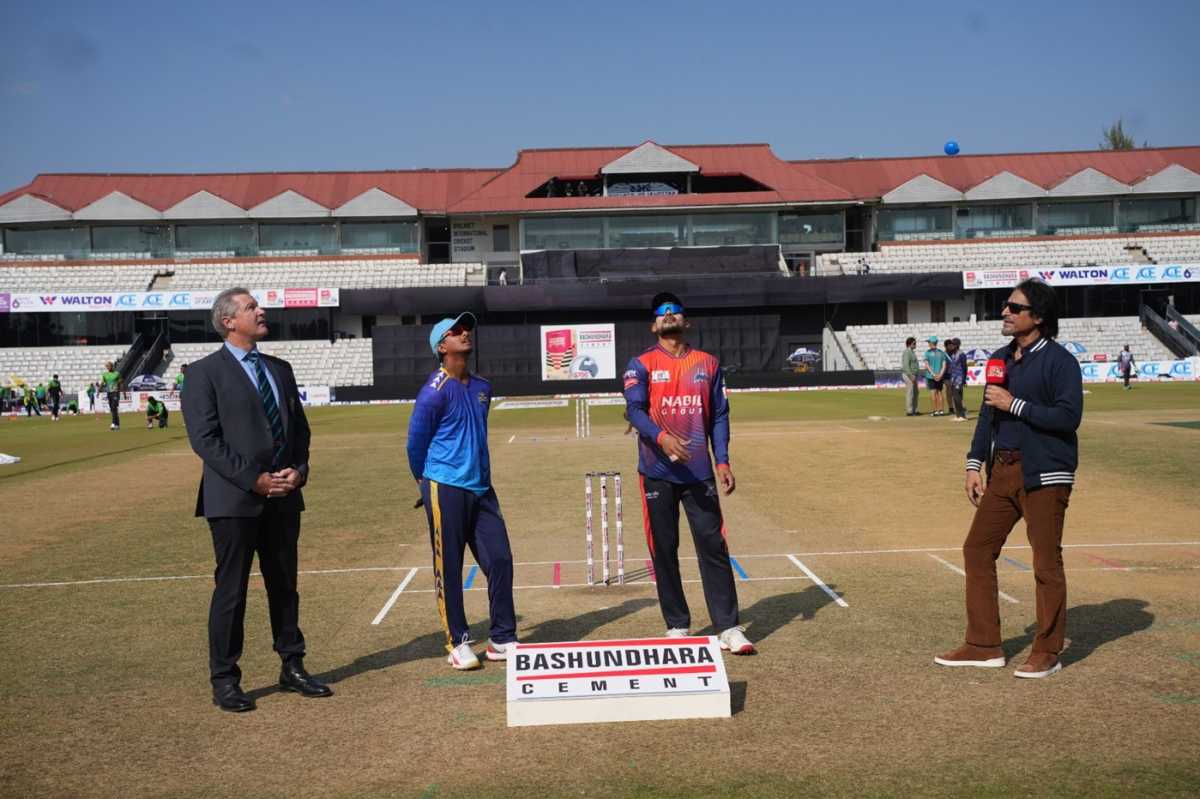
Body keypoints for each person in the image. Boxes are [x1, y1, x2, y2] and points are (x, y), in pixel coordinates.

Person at [181, 287, 331, 713]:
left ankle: (292, 664)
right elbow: (205, 440)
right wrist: (255, 480)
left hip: (284, 496)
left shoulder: (280, 369)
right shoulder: (203, 373)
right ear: (229, 321)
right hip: (233, 500)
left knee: (285, 586)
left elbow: (300, 430)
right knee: (232, 591)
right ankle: (225, 679)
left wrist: (297, 471)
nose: (261, 311)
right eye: (251, 307)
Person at [935, 278, 1082, 679]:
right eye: (1006, 306)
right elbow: (988, 414)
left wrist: (1014, 403)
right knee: (977, 549)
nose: (1005, 312)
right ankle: (984, 646)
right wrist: (972, 463)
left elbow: (1069, 418)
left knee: (1045, 563)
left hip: (1046, 473)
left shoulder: (1059, 361)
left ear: (1039, 317)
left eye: (1014, 308)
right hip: (1003, 471)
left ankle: (1048, 650)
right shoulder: (1001, 358)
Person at [622, 291, 755, 654]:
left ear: (686, 320)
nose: (668, 314)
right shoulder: (641, 364)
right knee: (664, 549)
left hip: (699, 472)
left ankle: (728, 626)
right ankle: (677, 624)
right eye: (661, 312)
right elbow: (634, 412)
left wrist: (723, 460)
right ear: (653, 325)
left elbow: (720, 415)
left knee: (713, 546)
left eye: (675, 311)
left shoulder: (708, 364)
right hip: (657, 471)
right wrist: (662, 438)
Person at [406, 311, 517, 670]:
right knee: (449, 567)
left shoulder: (483, 388)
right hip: (445, 488)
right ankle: (457, 641)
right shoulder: (432, 394)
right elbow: (415, 445)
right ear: (442, 346)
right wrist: (426, 484)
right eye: (456, 331)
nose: (465, 333)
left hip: (481, 489)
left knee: (499, 559)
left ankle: (502, 637)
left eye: (467, 329)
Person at [945, 339, 968, 421]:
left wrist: (964, 379)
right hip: (953, 378)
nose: (951, 346)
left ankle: (963, 415)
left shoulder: (961, 354)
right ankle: (958, 415)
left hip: (959, 378)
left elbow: (965, 367)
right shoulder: (953, 354)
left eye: (953, 344)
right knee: (954, 396)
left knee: (958, 397)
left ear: (957, 345)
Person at [924, 337, 948, 416]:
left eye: (929, 342)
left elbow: (927, 365)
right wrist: (940, 374)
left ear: (931, 343)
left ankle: (935, 411)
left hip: (931, 376)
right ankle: (941, 411)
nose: (928, 344)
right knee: (940, 393)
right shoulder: (941, 353)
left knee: (933, 393)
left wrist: (933, 374)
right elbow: (944, 365)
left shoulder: (927, 353)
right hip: (940, 376)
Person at [901, 336, 921, 416]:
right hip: (909, 375)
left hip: (914, 375)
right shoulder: (907, 352)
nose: (915, 344)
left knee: (916, 392)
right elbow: (906, 365)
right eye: (914, 343)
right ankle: (909, 411)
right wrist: (910, 375)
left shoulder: (912, 352)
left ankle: (915, 410)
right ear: (910, 344)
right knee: (910, 392)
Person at [100, 362, 122, 430]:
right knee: (113, 409)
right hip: (109, 393)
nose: (108, 367)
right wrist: (99, 391)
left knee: (113, 407)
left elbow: (121, 382)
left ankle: (113, 423)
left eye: (109, 366)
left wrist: (122, 391)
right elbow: (102, 383)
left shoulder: (117, 374)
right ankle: (117, 424)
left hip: (115, 392)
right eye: (107, 366)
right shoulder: (105, 375)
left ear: (112, 366)